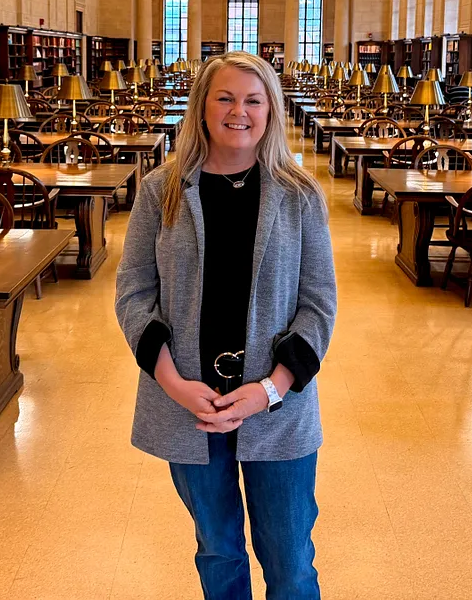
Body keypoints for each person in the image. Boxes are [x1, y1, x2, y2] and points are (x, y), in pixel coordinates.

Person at [115, 50, 337, 600]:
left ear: (271, 110)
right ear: (203, 107)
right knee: (218, 552)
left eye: (253, 100)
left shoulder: (300, 195)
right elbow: (134, 293)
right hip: (190, 410)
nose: (239, 111)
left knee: (289, 561)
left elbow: (319, 303)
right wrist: (175, 386)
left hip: (277, 412)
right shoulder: (159, 191)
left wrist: (270, 390)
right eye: (226, 97)